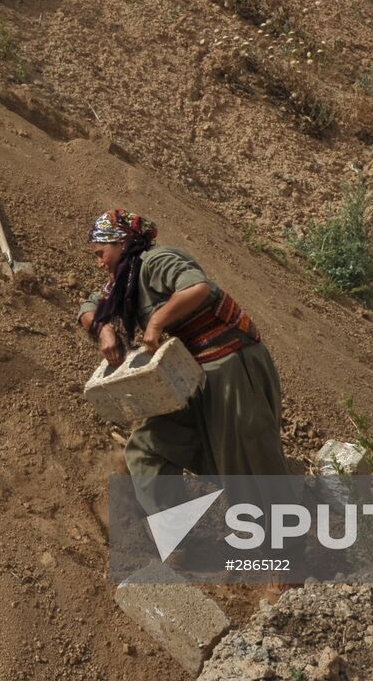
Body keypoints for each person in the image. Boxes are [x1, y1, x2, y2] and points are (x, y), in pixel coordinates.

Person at [78, 210, 289, 518]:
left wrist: (157, 323)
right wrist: (103, 328)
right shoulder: (125, 281)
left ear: (122, 242)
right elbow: (88, 306)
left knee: (249, 464)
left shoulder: (157, 261)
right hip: (191, 376)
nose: (99, 262)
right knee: (147, 448)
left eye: (101, 253)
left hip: (231, 365)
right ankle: (177, 539)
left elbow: (196, 287)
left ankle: (283, 548)